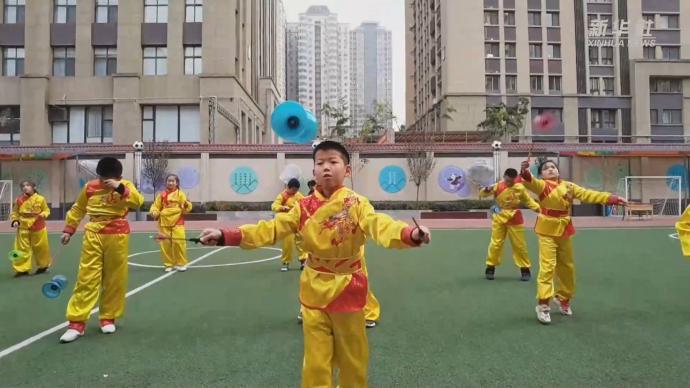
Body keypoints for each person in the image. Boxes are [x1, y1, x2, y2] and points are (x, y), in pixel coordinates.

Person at [199, 140, 431, 387]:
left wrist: (409, 234)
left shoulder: (357, 204)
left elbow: (380, 225)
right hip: (313, 288)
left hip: (347, 287)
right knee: (315, 359)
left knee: (352, 357)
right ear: (313, 172)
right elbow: (271, 228)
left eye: (333, 162)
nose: (326, 168)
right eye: (320, 163)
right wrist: (227, 235)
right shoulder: (303, 207)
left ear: (347, 170)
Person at [520, 159, 625, 324]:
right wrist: (524, 171)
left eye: (553, 167)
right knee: (547, 267)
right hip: (547, 231)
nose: (550, 169)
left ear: (558, 171)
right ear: (541, 174)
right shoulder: (541, 185)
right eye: (546, 168)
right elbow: (529, 181)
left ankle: (563, 298)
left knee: (567, 267)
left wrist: (611, 198)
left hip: (564, 229)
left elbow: (588, 194)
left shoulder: (569, 186)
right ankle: (543, 305)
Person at [58, 157, 144, 343]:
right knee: (86, 277)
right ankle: (76, 323)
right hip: (93, 234)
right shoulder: (89, 187)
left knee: (114, 278)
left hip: (117, 235)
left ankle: (108, 318)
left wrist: (119, 187)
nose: (105, 182)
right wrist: (68, 230)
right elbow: (78, 208)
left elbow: (138, 202)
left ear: (119, 176)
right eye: (103, 178)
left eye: (109, 179)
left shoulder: (125, 184)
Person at [479, 168, 540, 281]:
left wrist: (540, 209)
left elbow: (528, 201)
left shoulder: (519, 188)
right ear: (504, 176)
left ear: (515, 179)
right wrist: (486, 190)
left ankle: (525, 269)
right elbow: (482, 194)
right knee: (495, 243)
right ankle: (490, 267)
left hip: (515, 217)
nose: (509, 183)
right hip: (499, 216)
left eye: (511, 181)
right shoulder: (497, 186)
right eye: (507, 180)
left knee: (519, 245)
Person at [149, 174, 193, 272]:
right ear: (166, 182)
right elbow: (155, 206)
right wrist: (154, 212)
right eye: (169, 181)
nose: (170, 183)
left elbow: (187, 207)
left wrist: (186, 205)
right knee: (165, 244)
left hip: (178, 221)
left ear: (177, 183)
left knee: (179, 243)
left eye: (173, 181)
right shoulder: (161, 195)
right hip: (164, 222)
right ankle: (168, 264)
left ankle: (181, 263)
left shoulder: (180, 194)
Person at [9, 180, 52, 277]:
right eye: (23, 186)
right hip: (23, 227)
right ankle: (22, 270)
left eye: (28, 185)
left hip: (38, 226)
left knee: (41, 248)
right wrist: (15, 220)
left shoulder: (41, 199)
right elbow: (15, 212)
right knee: (21, 249)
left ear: (34, 187)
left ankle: (43, 267)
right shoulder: (19, 200)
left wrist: (43, 214)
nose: (25, 187)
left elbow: (46, 210)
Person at [272, 178, 307, 271]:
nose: (294, 192)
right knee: (287, 243)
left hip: (297, 222)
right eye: (293, 190)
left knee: (301, 241)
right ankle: (285, 262)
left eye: (296, 190)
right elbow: (274, 206)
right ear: (288, 187)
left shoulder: (299, 195)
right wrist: (282, 208)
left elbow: (305, 204)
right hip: (286, 223)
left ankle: (303, 261)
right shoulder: (282, 196)